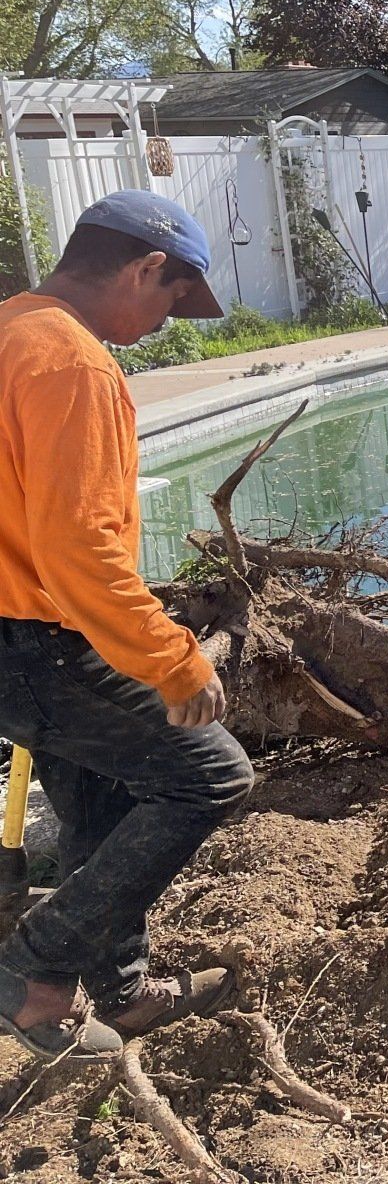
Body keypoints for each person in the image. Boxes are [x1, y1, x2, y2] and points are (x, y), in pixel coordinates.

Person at [0, 190, 253, 1062]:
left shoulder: (8, 331)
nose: (170, 318)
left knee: (101, 798)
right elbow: (78, 549)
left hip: (17, 637)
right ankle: (32, 973)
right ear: (147, 266)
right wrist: (173, 659)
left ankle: (119, 989)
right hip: (37, 640)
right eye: (174, 296)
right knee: (209, 776)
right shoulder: (69, 362)